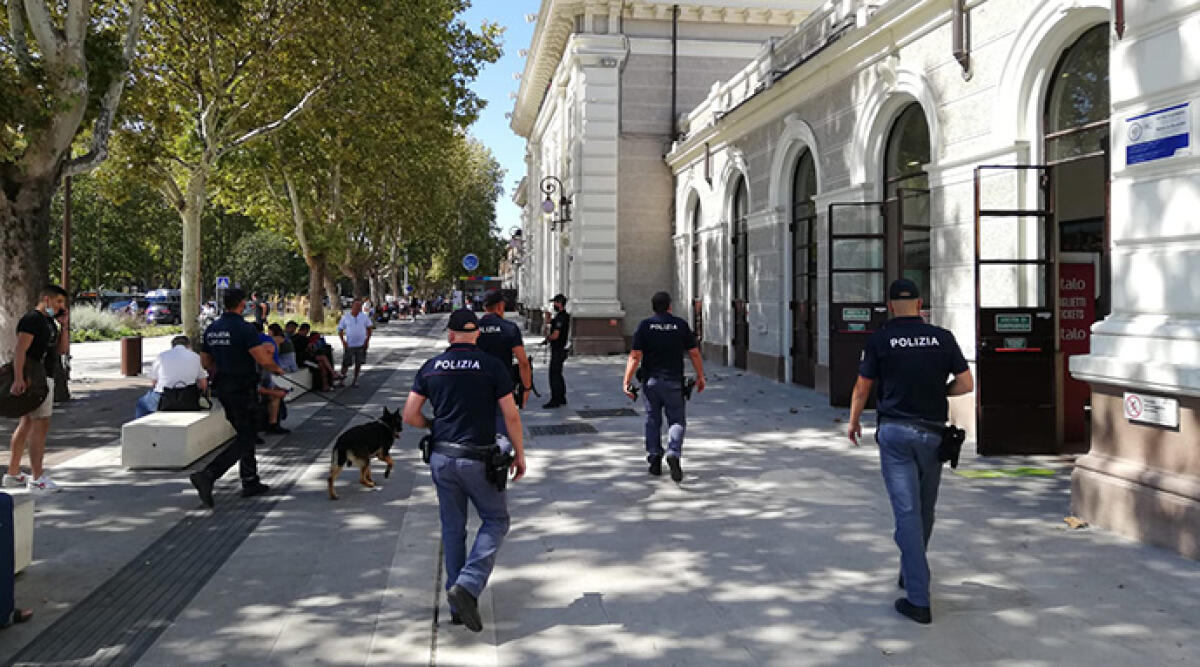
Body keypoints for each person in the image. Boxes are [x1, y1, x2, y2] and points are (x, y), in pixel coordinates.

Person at [847, 278, 974, 625]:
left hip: (896, 434)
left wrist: (854, 421)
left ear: (890, 306)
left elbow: (863, 386)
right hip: (933, 436)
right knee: (925, 510)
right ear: (920, 304)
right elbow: (966, 383)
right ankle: (911, 567)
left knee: (906, 513)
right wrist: (938, 390)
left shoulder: (880, 340)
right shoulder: (942, 338)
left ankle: (919, 598)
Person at [402, 309, 527, 633]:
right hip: (479, 460)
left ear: (450, 334)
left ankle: (456, 604)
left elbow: (410, 414)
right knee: (497, 519)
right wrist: (520, 455)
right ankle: (469, 585)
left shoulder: (431, 368)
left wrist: (434, 425)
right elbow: (511, 416)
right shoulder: (491, 366)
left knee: (453, 528)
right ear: (477, 335)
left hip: (442, 459)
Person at [190, 288, 283, 508]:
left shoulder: (212, 328)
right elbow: (262, 359)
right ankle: (208, 474)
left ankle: (250, 480)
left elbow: (205, 362)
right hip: (243, 388)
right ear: (242, 304)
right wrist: (276, 369)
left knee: (244, 432)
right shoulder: (244, 328)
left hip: (224, 388)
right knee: (248, 436)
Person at [622, 292, 706, 482]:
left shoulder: (645, 326)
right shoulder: (680, 325)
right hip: (674, 382)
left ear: (653, 307)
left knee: (653, 419)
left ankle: (654, 459)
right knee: (677, 420)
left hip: (651, 382)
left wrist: (626, 381)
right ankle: (673, 452)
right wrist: (700, 376)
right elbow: (693, 353)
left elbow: (635, 355)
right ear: (669, 306)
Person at [4, 285, 69, 494]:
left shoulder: (50, 322)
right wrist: (19, 378)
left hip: (45, 376)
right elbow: (20, 349)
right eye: (58, 302)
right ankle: (37, 477)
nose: (61, 307)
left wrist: (64, 326)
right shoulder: (32, 319)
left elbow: (62, 350)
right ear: (46, 299)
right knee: (39, 426)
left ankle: (13, 473)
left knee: (27, 423)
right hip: (35, 378)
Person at [476, 291, 533, 444]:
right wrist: (527, 388)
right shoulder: (509, 328)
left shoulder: (473, 328)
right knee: (501, 436)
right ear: (500, 306)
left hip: (476, 386)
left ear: (484, 307)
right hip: (502, 389)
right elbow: (523, 362)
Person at [135, 336, 209, 418]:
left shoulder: (161, 356)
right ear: (188, 346)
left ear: (172, 346)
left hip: (164, 396)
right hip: (188, 398)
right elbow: (203, 383)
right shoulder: (195, 356)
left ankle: (140, 427)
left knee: (142, 403)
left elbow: (154, 382)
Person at [542, 294, 571, 408]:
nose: (553, 305)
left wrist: (548, 338)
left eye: (554, 303)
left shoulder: (560, 318)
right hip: (562, 348)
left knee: (554, 375)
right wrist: (547, 319)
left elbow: (555, 335)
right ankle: (562, 397)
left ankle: (555, 399)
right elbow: (550, 325)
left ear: (559, 303)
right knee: (558, 373)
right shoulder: (562, 316)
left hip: (558, 348)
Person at [338, 299, 374, 388]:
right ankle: (342, 380)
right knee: (346, 363)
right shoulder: (346, 317)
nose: (358, 308)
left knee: (358, 363)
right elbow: (340, 330)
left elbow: (369, 328)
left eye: (359, 306)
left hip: (361, 344)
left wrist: (367, 340)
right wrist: (343, 341)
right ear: (352, 306)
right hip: (350, 344)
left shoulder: (364, 317)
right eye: (356, 306)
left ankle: (355, 380)